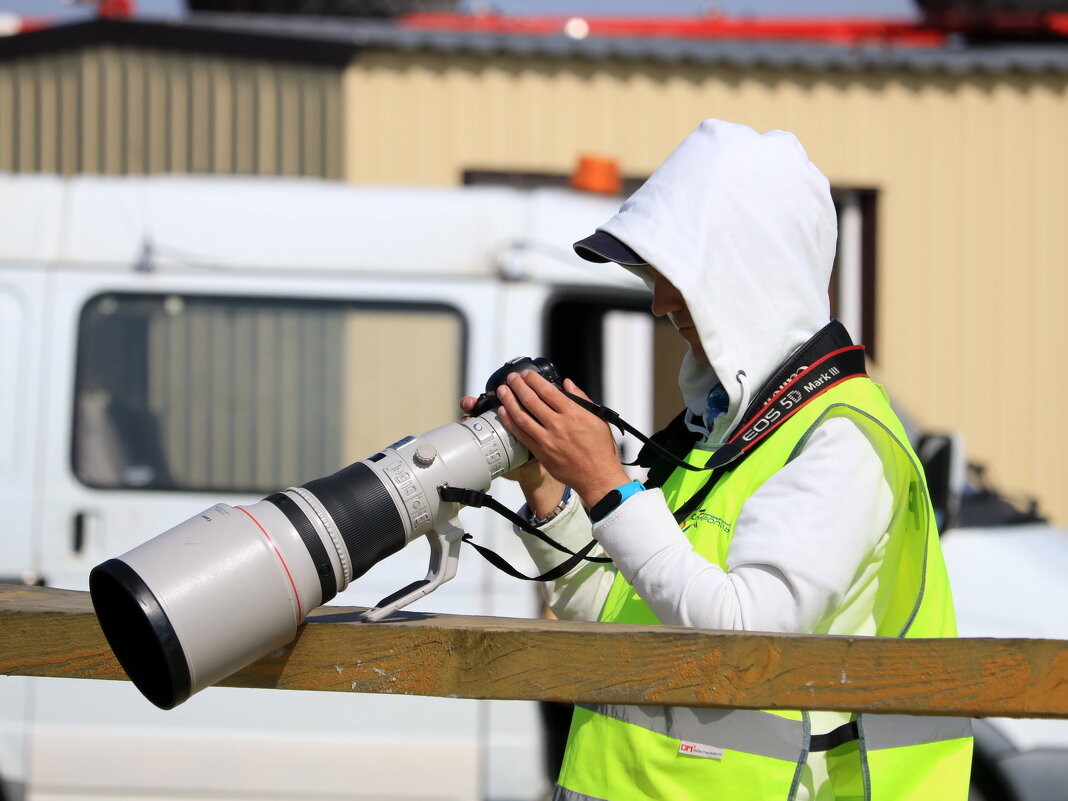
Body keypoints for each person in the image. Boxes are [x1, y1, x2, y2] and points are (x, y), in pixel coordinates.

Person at [463, 119, 972, 801]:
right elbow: (611, 610)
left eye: (675, 274)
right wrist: (550, 485)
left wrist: (606, 482)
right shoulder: (719, 432)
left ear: (747, 272)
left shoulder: (845, 437)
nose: (658, 301)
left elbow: (742, 632)